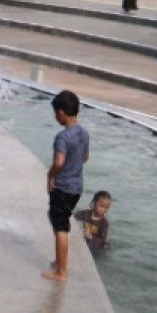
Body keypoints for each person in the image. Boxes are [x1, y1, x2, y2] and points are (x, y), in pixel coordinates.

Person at [41, 90, 90, 283]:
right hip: (77, 187)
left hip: (63, 187)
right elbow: (85, 157)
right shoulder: (84, 133)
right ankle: (60, 261)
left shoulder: (62, 137)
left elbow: (59, 161)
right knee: (56, 218)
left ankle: (61, 272)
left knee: (61, 227)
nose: (55, 116)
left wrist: (51, 175)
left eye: (55, 113)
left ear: (61, 112)